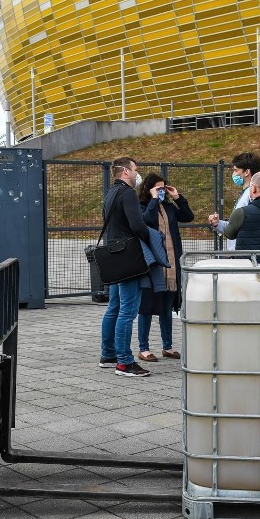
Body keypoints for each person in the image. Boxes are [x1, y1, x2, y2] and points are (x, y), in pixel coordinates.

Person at [98, 157, 152, 377]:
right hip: (128, 257)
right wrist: (152, 238)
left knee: (114, 307)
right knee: (128, 311)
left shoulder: (111, 192)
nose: (137, 174)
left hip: (114, 255)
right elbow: (137, 225)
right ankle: (124, 362)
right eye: (135, 170)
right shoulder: (128, 193)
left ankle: (108, 355)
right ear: (126, 172)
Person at [136, 173, 194, 363]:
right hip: (152, 263)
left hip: (171, 264)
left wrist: (177, 197)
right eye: (158, 188)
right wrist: (153, 200)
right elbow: (146, 220)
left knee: (166, 307)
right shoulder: (142, 206)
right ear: (149, 189)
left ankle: (167, 346)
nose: (162, 192)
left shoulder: (169, 207)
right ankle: (143, 348)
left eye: (163, 188)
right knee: (146, 306)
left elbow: (188, 216)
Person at [207, 152, 260, 250]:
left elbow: (248, 228)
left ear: (246, 172)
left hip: (242, 254)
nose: (234, 174)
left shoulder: (252, 195)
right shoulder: (246, 193)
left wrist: (233, 250)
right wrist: (218, 223)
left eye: (236, 170)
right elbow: (237, 225)